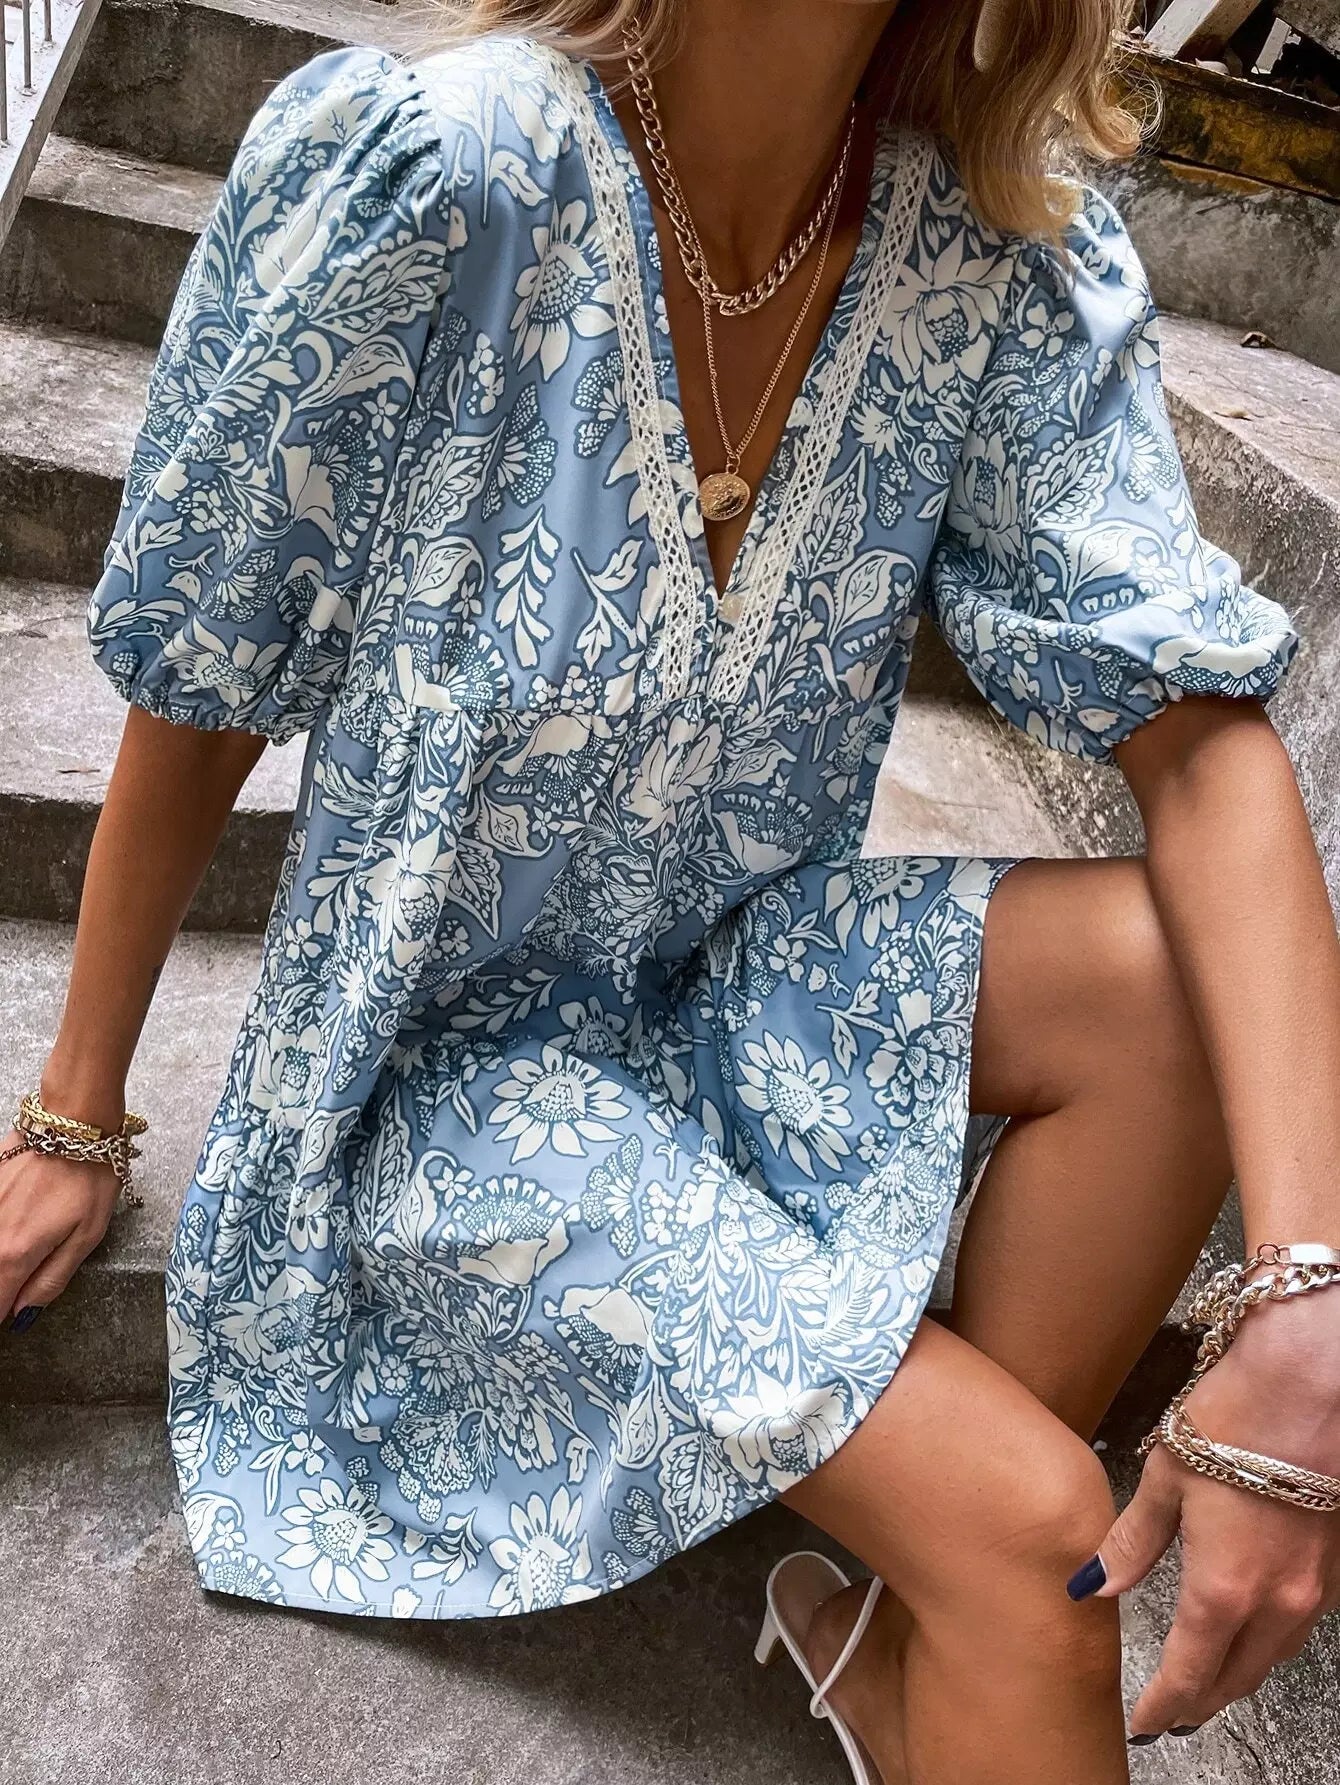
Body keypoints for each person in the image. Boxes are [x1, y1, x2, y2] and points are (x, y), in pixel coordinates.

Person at [2, 1, 1337, 1779]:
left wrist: (1307, 1293)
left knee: (1175, 978)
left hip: (727, 999)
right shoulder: (453, 168)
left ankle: (907, 1618)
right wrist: (76, 1108)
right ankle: (968, 1578)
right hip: (447, 1091)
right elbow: (209, 670)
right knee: (1039, 1534)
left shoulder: (993, 253)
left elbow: (1202, 740)